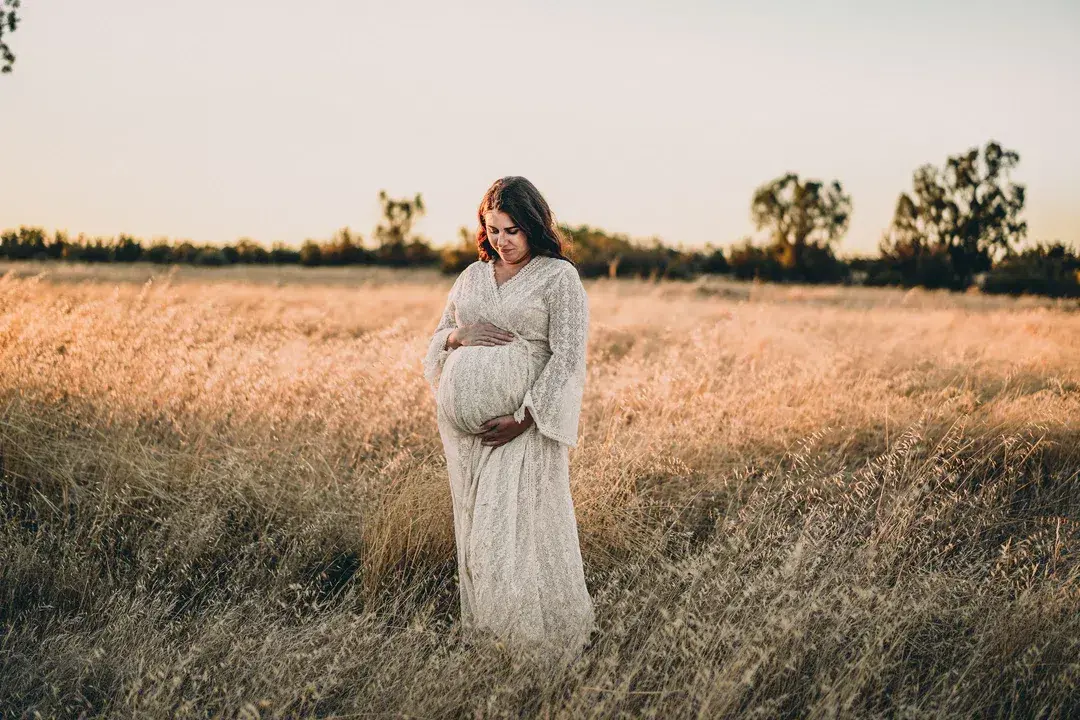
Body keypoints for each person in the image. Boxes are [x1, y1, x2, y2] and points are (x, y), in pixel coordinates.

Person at [422, 176, 596, 664]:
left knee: (511, 541)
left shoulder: (558, 278)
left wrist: (524, 418)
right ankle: (490, 649)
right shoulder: (472, 277)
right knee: (478, 542)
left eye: (512, 230)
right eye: (493, 228)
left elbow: (567, 358)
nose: (501, 240)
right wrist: (461, 336)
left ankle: (536, 653)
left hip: (523, 431)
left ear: (534, 227)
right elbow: (438, 339)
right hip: (470, 439)